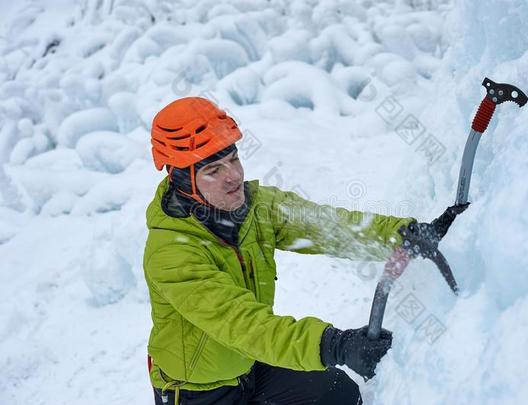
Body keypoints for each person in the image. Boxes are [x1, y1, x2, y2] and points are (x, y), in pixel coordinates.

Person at [143, 97, 467, 404]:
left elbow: (325, 226)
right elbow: (246, 326)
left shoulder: (254, 208)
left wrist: (403, 234)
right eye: (213, 170)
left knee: (338, 395)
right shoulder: (172, 254)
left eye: (233, 159)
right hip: (199, 390)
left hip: (251, 363)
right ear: (181, 180)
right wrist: (334, 345)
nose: (234, 176)